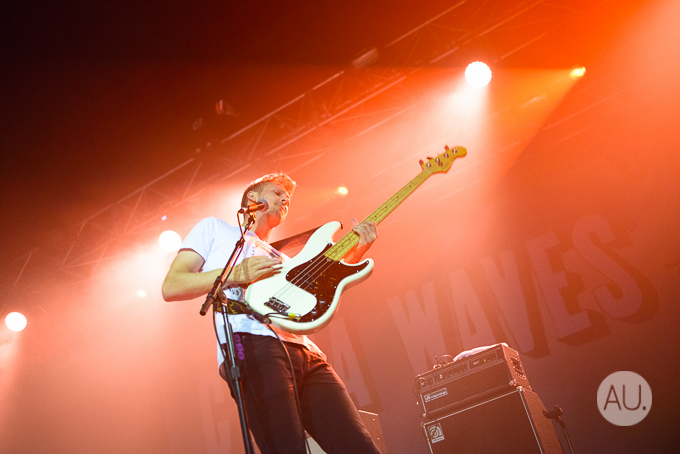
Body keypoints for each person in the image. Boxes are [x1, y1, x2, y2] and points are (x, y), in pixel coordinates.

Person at [162, 172, 381, 454]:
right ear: (253, 198)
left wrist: (356, 252)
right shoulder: (214, 228)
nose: (284, 200)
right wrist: (236, 273)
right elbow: (172, 285)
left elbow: (323, 292)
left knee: (358, 445)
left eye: (287, 199)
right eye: (277, 193)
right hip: (251, 345)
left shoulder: (286, 259)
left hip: (306, 352)